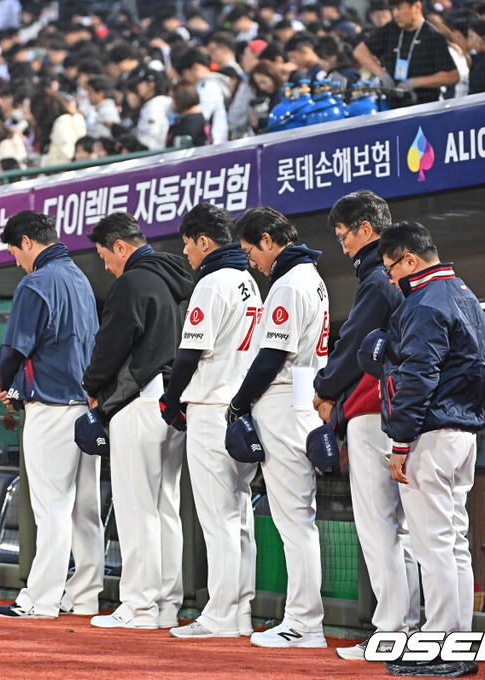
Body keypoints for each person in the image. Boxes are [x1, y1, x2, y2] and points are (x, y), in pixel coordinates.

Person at [365, 222, 485, 678]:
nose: (390, 277)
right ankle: (458, 645)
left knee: (433, 546)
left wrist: (400, 442)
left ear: (410, 260)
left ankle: (440, 646)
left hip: (431, 435)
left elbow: (416, 377)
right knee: (453, 544)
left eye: (390, 266)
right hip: (464, 434)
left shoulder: (424, 302)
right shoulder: (465, 294)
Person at [313, 192, 419, 660]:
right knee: (410, 531)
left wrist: (325, 389)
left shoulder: (378, 280)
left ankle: (391, 630)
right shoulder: (405, 279)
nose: (342, 245)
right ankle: (410, 630)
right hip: (402, 413)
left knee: (380, 528)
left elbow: (354, 343)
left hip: (375, 411)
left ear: (367, 230)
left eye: (344, 235)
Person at [0, 211, 104, 619]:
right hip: (86, 407)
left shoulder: (36, 281)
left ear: (26, 242)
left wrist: (5, 382)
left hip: (51, 406)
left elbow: (14, 349)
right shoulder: (80, 277)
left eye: (14, 252)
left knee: (52, 507)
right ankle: (86, 593)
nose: (16, 261)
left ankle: (42, 598)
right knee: (84, 507)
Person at [82, 212, 192, 630]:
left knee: (137, 509)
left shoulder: (133, 281)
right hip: (175, 406)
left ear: (121, 247)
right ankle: (165, 604)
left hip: (139, 401)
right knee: (165, 507)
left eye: (104, 255)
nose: (105, 265)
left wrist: (93, 384)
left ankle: (139, 606)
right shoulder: (180, 276)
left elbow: (112, 344)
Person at [228, 206, 329, 648]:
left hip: (286, 403)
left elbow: (270, 357)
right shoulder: (311, 278)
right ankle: (304, 620)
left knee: (295, 522)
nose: (252, 260)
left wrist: (238, 402)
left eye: (252, 250)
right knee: (297, 520)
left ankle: (304, 623)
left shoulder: (290, 282)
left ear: (269, 239)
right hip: (300, 396)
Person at [159, 203, 261, 640]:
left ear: (205, 241)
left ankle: (219, 614)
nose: (185, 251)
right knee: (239, 515)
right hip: (242, 409)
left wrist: (170, 398)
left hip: (210, 408)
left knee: (218, 517)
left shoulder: (212, 282)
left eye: (187, 242)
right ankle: (238, 613)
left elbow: (188, 354)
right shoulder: (250, 282)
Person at [354, 0, 458, 108]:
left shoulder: (433, 37)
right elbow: (360, 51)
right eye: (393, 9)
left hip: (424, 107)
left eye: (399, 8)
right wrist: (381, 74)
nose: (395, 13)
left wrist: (416, 82)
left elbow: (452, 75)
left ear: (416, 6)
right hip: (392, 106)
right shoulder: (391, 30)